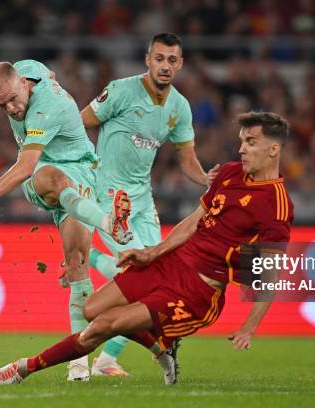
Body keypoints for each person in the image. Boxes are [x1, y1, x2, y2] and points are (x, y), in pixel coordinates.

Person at [0, 111, 293, 385]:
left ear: (273, 149)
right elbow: (193, 221)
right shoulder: (229, 173)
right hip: (170, 262)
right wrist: (151, 253)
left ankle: (22, 369)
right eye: (242, 141)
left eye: (251, 142)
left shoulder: (275, 205)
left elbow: (270, 274)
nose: (242, 148)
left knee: (102, 326)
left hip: (198, 290)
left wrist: (249, 328)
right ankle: (162, 350)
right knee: (91, 310)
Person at [0, 60, 133, 382]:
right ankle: (108, 221)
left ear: (23, 85)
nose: (13, 108)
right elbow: (48, 74)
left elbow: (24, 166)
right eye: (2, 104)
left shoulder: (46, 108)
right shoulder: (27, 70)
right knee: (51, 176)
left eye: (14, 99)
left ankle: (78, 370)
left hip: (82, 172)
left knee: (77, 263)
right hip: (53, 177)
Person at [79, 32, 219, 376]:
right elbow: (81, 122)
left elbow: (187, 158)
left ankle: (107, 360)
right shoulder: (121, 90)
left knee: (158, 276)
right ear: (148, 60)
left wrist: (206, 181)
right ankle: (87, 258)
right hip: (111, 197)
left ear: (180, 64)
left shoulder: (179, 107)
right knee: (140, 275)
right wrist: (83, 171)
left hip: (143, 199)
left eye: (172, 60)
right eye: (159, 59)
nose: (165, 66)